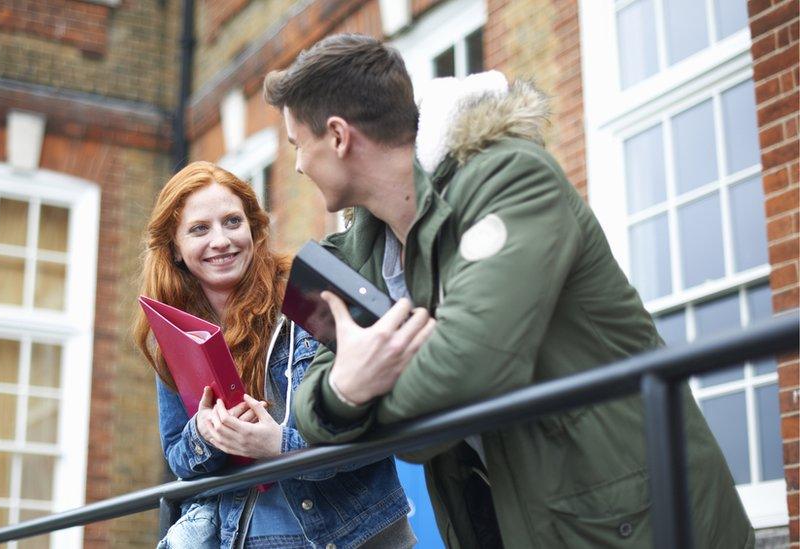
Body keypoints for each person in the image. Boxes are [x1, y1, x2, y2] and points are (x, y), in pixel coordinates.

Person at [263, 34, 753, 548]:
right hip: (496, 521)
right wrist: (346, 389)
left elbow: (471, 367)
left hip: (625, 520)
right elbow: (309, 404)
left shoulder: (511, 179)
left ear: (339, 136)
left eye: (299, 146)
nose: (298, 165)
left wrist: (364, 397)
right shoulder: (361, 247)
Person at [132, 161, 415, 549]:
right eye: (200, 229)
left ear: (253, 228)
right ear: (175, 249)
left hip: (350, 536)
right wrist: (207, 433)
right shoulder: (176, 332)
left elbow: (375, 433)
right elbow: (178, 462)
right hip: (248, 537)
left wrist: (280, 446)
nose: (221, 240)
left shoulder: (309, 295)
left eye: (233, 222)